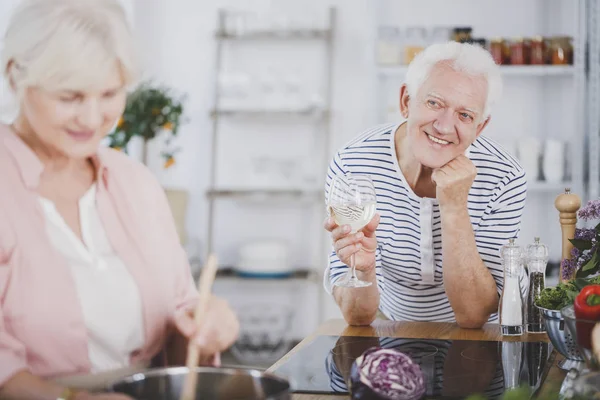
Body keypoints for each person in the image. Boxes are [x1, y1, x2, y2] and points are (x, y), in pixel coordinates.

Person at [0, 0, 239, 398]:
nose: (93, 119)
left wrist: (202, 331)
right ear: (16, 77)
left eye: (110, 93)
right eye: (70, 97)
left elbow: (177, 332)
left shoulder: (135, 183)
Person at [324, 41, 527, 328]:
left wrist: (455, 206)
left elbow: (474, 316)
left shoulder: (505, 177)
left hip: (476, 337)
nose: (444, 126)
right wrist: (365, 269)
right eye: (434, 103)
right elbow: (357, 316)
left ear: (479, 127)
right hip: (385, 325)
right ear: (406, 101)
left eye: (465, 115)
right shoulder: (353, 163)